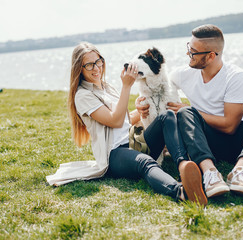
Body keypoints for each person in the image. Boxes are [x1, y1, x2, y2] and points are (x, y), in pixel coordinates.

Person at [46, 42, 208, 206]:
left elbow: (124, 120)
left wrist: (140, 110)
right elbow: (115, 121)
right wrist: (126, 86)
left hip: (134, 141)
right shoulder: (83, 95)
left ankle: (183, 167)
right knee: (145, 162)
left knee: (166, 116)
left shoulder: (106, 87)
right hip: (115, 154)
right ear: (79, 69)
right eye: (89, 65)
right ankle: (181, 191)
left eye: (98, 61)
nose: (96, 68)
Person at [136, 24, 243, 199]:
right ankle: (210, 173)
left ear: (211, 56)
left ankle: (240, 170)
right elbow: (158, 88)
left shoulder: (236, 76)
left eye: (193, 52)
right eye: (188, 48)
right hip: (205, 143)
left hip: (239, 142)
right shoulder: (182, 74)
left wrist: (192, 110)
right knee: (185, 113)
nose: (188, 54)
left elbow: (230, 126)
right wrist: (140, 106)